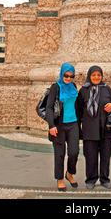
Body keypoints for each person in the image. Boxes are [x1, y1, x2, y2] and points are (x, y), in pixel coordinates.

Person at [78, 65, 111, 189]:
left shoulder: (106, 88)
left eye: (99, 75)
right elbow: (79, 110)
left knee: (106, 156)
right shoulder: (83, 90)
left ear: (101, 76)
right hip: (89, 130)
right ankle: (90, 180)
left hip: (107, 129)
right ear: (89, 76)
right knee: (90, 156)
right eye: (94, 75)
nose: (96, 77)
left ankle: (104, 179)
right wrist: (79, 129)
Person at [46, 63, 80, 192]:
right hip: (59, 125)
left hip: (73, 124)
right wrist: (51, 125)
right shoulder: (56, 87)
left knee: (74, 152)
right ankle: (60, 179)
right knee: (59, 154)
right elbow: (49, 107)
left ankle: (70, 173)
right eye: (66, 75)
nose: (68, 78)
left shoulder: (74, 86)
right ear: (62, 74)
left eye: (71, 76)